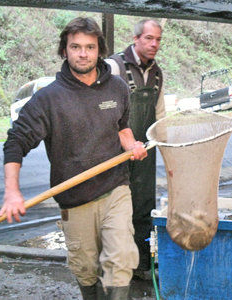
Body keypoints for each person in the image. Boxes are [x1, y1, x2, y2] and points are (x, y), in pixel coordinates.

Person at [0, 17, 147, 299]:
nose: (83, 53)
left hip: (116, 188)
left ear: (99, 49)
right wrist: (12, 192)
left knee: (121, 260)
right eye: (75, 47)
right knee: (85, 268)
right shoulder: (49, 99)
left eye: (90, 47)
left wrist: (131, 145)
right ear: (64, 50)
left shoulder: (117, 87)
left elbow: (121, 126)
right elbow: (15, 142)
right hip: (74, 198)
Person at [105, 19, 165, 278]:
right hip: (113, 152)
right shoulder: (113, 66)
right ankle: (113, 266)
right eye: (149, 38)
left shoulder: (158, 73)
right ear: (136, 38)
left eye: (158, 39)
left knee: (143, 205)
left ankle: (141, 266)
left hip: (145, 154)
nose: (154, 44)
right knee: (112, 208)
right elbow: (102, 111)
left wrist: (167, 150)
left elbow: (160, 116)